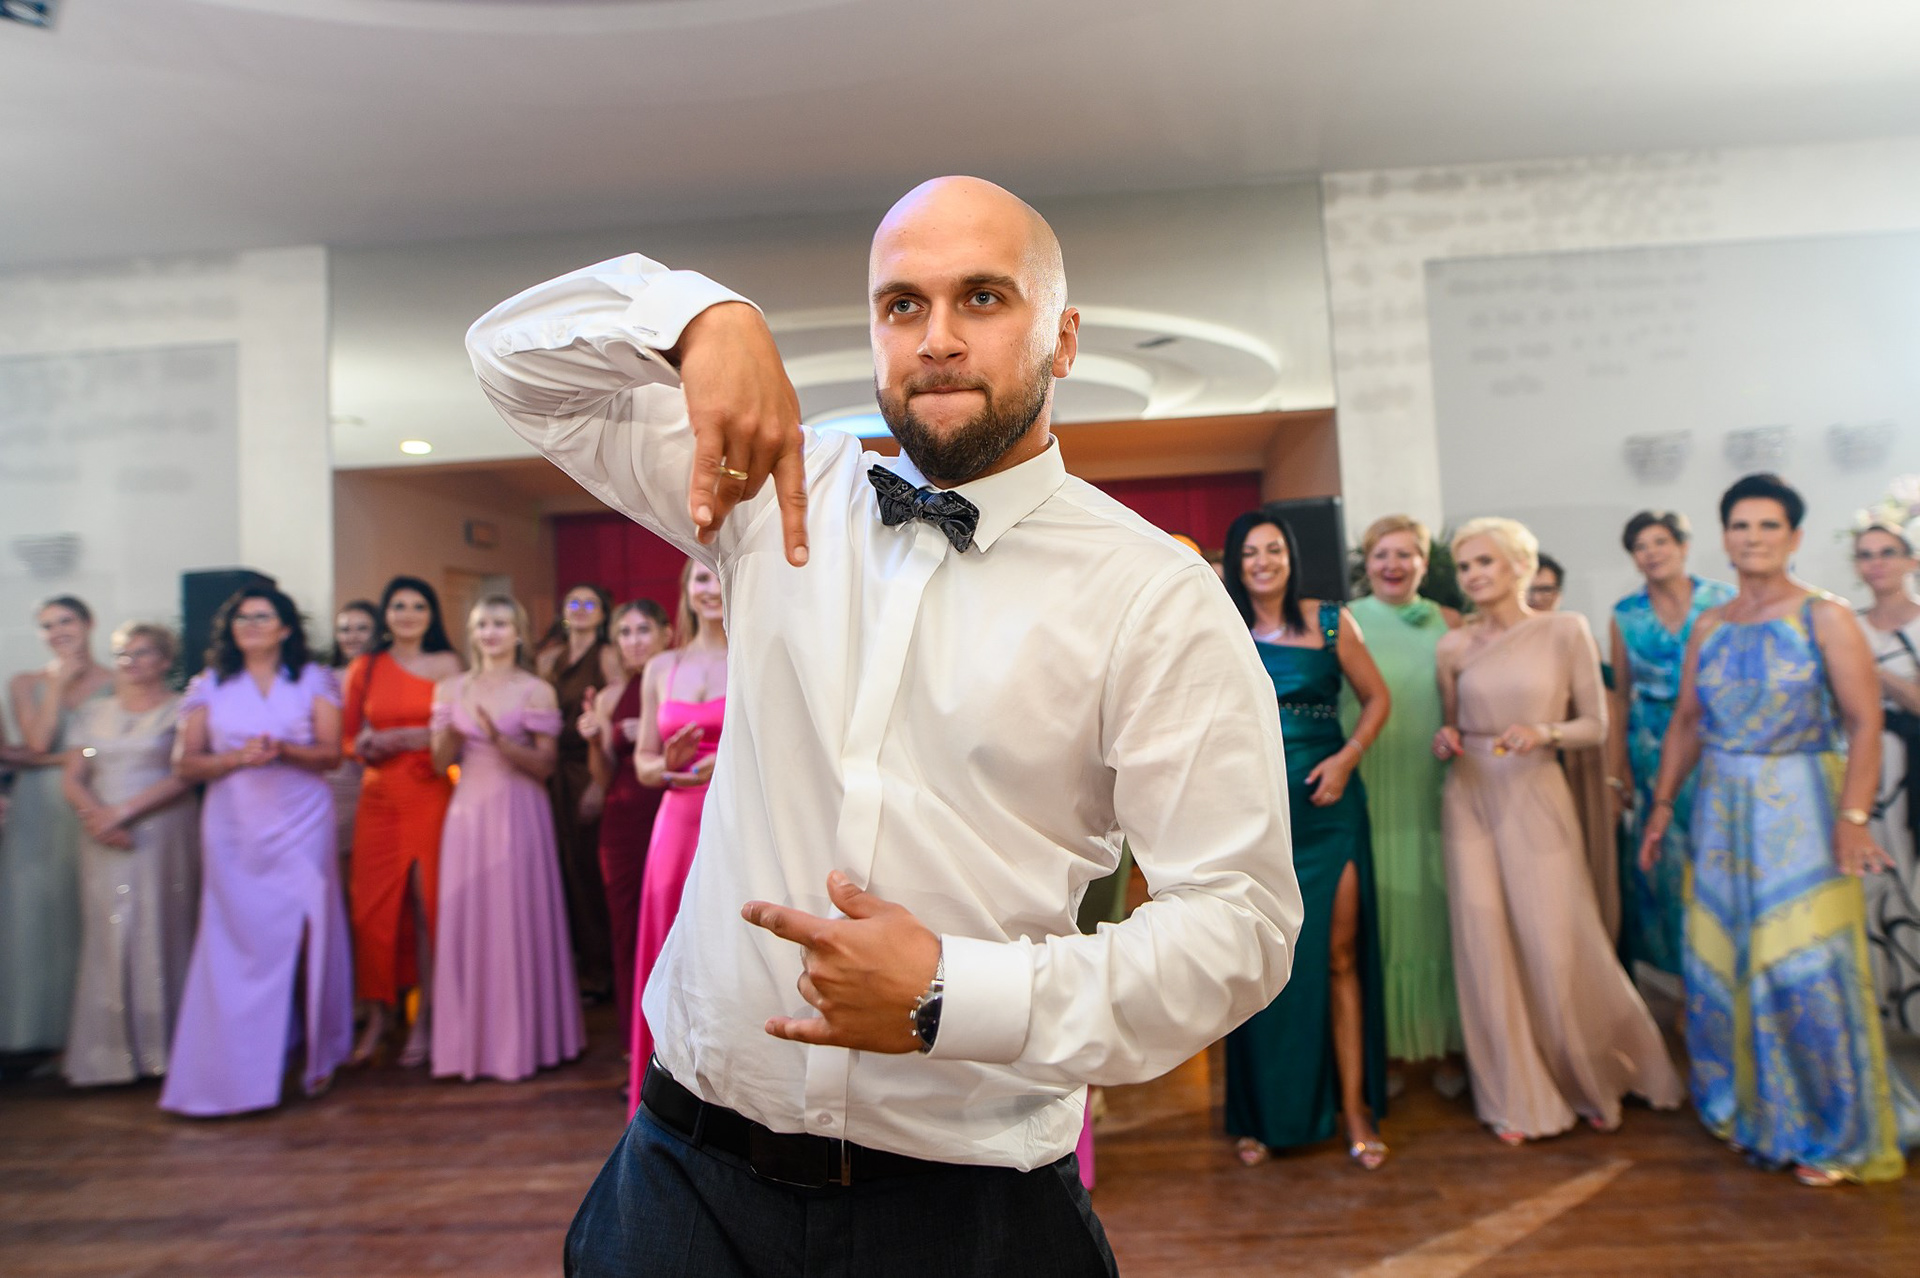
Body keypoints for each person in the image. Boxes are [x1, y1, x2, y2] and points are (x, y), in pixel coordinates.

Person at [467, 175, 1299, 1278]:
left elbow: (1239, 926)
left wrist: (956, 992)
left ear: (1063, 338)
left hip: (971, 1210)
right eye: (903, 304)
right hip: (685, 1181)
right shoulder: (773, 489)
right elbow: (510, 363)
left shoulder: (1156, 596)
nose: (937, 338)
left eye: (983, 298)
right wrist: (696, 316)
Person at [1641, 474, 1919, 1185]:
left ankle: (1830, 1126)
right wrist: (1663, 806)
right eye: (1741, 525)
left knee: (1802, 964)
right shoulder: (1711, 624)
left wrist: (1853, 819)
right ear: (1724, 536)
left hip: (1802, 806)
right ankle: (1751, 1108)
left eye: (1769, 525)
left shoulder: (1824, 616)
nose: (1753, 537)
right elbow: (1687, 721)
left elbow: (1864, 722)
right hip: (1720, 811)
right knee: (1725, 960)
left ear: (1794, 537)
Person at [1433, 517, 1681, 1143]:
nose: (1472, 575)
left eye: (1485, 562)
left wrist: (1543, 732)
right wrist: (1447, 738)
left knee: (1555, 939)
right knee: (1484, 939)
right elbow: (1452, 723)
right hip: (1468, 794)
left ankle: (1590, 1076)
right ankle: (1515, 1095)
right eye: (1465, 566)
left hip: (1536, 789)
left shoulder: (1564, 630)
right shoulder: (1452, 646)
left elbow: (1595, 726)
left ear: (1520, 566)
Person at [1222, 509, 1392, 1170]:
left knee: (1340, 955)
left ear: (1291, 557)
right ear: (1235, 564)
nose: (1263, 562)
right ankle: (1262, 1114)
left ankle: (1355, 1108)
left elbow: (1376, 699)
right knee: (1260, 958)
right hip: (1256, 815)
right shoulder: (1222, 624)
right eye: (1250, 552)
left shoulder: (1330, 620)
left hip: (1329, 807)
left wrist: (1348, 758)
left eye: (1274, 550)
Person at [162, 587, 353, 1116]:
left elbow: (331, 755)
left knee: (311, 927)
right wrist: (234, 759)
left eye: (263, 616)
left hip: (302, 818)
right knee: (237, 939)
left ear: (285, 628)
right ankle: (236, 1067)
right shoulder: (209, 684)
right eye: (242, 618)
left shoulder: (313, 679)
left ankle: (317, 1052)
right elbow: (184, 763)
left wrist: (284, 750)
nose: (251, 624)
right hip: (234, 825)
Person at [429, 595, 584, 1082]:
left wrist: (499, 740)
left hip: (519, 811)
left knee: (516, 916)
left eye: (499, 623)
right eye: (481, 625)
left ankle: (527, 1043)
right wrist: (453, 732)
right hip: (467, 815)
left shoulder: (536, 690)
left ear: (518, 633)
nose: (490, 633)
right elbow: (438, 763)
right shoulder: (450, 688)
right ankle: (465, 1049)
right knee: (470, 915)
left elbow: (545, 766)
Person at [1345, 515, 1465, 1096]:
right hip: (1370, 781)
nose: (1393, 565)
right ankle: (1389, 1050)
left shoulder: (1452, 621)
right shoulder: (1343, 620)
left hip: (1433, 783)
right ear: (1367, 564)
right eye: (1381, 555)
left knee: (1438, 917)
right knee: (1383, 919)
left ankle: (1446, 1045)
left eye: (1405, 555)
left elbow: (1466, 699)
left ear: (1423, 563)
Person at [60, 623, 199, 1087]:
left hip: (162, 830)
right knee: (109, 930)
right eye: (123, 654)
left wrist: (124, 812)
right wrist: (97, 818)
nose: (131, 662)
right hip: (102, 836)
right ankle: (108, 1055)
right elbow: (73, 776)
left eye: (142, 653)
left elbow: (185, 774)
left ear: (164, 660)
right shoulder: (92, 712)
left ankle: (166, 1049)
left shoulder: (182, 708)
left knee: (162, 924)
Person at [1607, 511, 1736, 978]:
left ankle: (1727, 966)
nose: (1651, 553)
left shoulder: (1723, 600)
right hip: (1652, 747)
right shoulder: (1626, 614)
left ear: (1683, 546)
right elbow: (1620, 696)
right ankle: (1683, 979)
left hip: (1717, 738)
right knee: (1666, 863)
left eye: (1660, 542)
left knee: (1720, 851)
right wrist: (1617, 768)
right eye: (1640, 546)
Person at [342, 577, 463, 1068]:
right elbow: (347, 739)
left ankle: (427, 1016)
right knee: (369, 910)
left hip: (428, 791)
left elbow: (458, 731)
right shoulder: (365, 666)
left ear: (431, 615)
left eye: (418, 606)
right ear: (386, 615)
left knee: (425, 905)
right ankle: (379, 1014)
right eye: (398, 606)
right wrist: (365, 746)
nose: (408, 614)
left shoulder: (448, 664)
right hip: (378, 799)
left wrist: (415, 737)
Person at [624, 561, 728, 1115]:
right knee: (667, 941)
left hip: (731, 814)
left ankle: (723, 1091)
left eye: (718, 575)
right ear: (686, 591)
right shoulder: (661, 666)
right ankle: (661, 1092)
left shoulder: (754, 653)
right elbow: (643, 763)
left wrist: (725, 761)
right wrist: (668, 765)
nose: (711, 588)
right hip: (675, 819)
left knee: (723, 942)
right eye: (700, 578)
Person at [0, 596, 112, 1059]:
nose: (58, 632)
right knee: (36, 913)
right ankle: (36, 1036)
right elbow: (37, 742)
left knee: (87, 911)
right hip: (38, 807)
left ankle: (90, 1037)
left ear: (89, 622)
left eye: (66, 621)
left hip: (95, 798)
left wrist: (70, 758)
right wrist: (59, 683)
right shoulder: (25, 682)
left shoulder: (118, 679)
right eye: (47, 626)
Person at [578, 598, 672, 1051]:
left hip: (671, 811)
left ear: (666, 634)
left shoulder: (679, 677)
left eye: (643, 630)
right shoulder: (610, 695)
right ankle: (636, 1047)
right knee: (627, 928)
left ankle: (679, 1044)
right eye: (625, 633)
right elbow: (603, 775)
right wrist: (596, 740)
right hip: (621, 821)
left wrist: (656, 735)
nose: (634, 641)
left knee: (673, 921)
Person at [1527, 553, 1621, 941]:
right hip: (1525, 769)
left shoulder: (1575, 637)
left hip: (1579, 761)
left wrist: (1614, 779)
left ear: (1560, 594)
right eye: (1528, 590)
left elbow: (1609, 714)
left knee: (1585, 858)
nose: (1536, 598)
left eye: (1545, 589)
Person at [540, 583, 625, 1003]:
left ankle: (603, 968)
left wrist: (596, 784)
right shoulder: (550, 658)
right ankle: (575, 964)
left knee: (591, 869)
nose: (581, 608)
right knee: (562, 867)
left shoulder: (607, 655)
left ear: (603, 613)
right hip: (552, 771)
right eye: (573, 601)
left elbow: (613, 709)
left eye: (590, 603)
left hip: (587, 767)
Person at [1852, 521, 1920, 1033]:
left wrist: (1871, 672)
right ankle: (1885, 1009)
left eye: (1887, 552)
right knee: (1875, 884)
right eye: (1866, 554)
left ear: (1911, 561)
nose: (1876, 563)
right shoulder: (1849, 626)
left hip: (1913, 768)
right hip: (1868, 772)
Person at [325, 600, 380, 873]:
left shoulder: (388, 675)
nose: (352, 636)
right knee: (339, 869)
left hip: (378, 780)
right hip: (335, 783)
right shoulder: (325, 678)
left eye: (362, 628)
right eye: (345, 629)